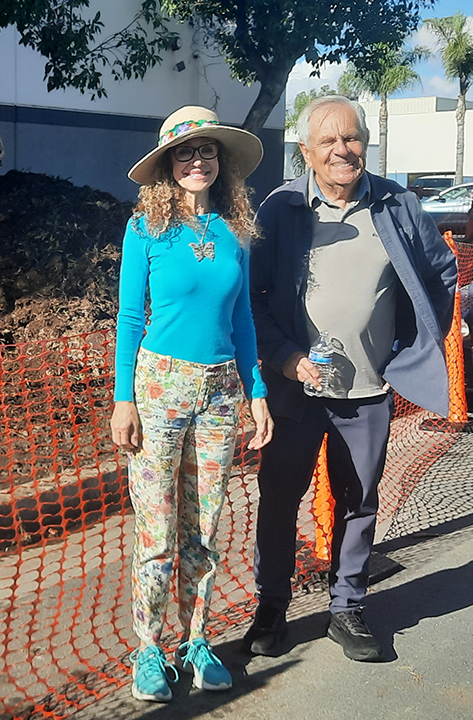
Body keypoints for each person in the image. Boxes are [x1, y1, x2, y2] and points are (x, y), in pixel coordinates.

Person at [246, 95, 457, 662]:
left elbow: (441, 272)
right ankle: (271, 607)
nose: (343, 150)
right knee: (278, 497)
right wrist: (285, 357)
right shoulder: (281, 208)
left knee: (358, 501)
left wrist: (410, 346)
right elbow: (253, 299)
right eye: (330, 142)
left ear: (366, 142)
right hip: (295, 389)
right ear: (308, 153)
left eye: (353, 138)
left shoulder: (398, 204)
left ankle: (347, 606)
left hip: (368, 390)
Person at [111, 106, 273, 702]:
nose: (197, 161)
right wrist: (122, 398)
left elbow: (243, 318)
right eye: (185, 152)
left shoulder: (236, 231)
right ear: (167, 165)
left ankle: (196, 641)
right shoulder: (144, 229)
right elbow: (130, 319)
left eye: (206, 151)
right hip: (158, 389)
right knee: (156, 529)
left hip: (222, 391)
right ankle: (149, 650)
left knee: (202, 526)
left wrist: (256, 391)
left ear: (220, 163)